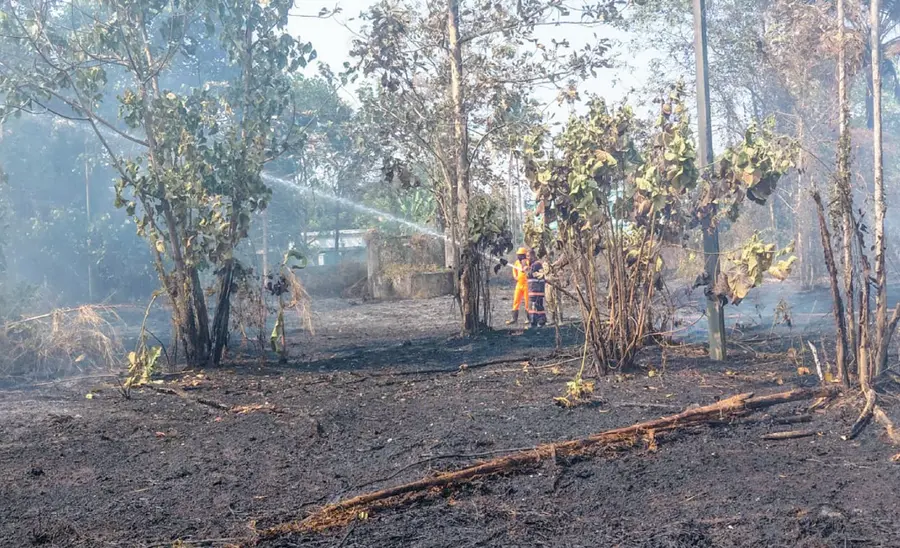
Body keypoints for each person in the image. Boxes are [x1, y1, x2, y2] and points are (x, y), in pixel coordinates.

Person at [506, 247, 530, 325]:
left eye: (521, 255)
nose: (519, 256)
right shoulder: (516, 262)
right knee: (516, 300)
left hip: (526, 284)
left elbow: (529, 269)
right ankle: (514, 318)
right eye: (519, 255)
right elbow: (514, 269)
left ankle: (528, 318)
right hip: (519, 284)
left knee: (527, 302)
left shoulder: (528, 262)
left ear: (524, 255)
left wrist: (526, 267)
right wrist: (515, 276)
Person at [527, 255, 547, 329]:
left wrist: (525, 269)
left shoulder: (535, 265)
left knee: (533, 306)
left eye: (528, 256)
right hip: (538, 290)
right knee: (539, 305)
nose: (527, 258)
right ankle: (541, 320)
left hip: (535, 290)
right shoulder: (538, 265)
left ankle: (534, 321)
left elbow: (529, 274)